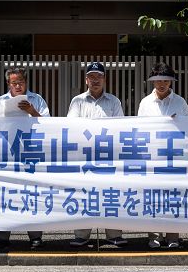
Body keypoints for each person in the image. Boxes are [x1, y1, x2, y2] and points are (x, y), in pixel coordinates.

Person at [0, 66, 50, 249]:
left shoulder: (37, 100)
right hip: (6, 155)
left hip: (29, 153)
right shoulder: (0, 101)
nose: (18, 86)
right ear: (8, 84)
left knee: (31, 194)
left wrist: (32, 112)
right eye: (14, 83)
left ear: (26, 82)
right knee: (5, 194)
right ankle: (2, 237)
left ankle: (35, 237)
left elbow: (50, 125)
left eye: (21, 82)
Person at [67, 62, 128, 247]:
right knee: (85, 193)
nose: (95, 80)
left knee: (110, 193)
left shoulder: (114, 101)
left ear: (104, 79)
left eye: (99, 77)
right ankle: (82, 235)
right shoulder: (77, 101)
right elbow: (71, 126)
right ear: (86, 80)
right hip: (84, 156)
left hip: (109, 156)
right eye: (92, 77)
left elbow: (120, 127)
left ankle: (114, 234)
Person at [137, 62, 188, 249]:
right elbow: (139, 131)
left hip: (174, 157)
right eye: (158, 80)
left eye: (165, 80)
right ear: (152, 82)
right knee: (153, 197)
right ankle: (154, 236)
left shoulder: (180, 102)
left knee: (173, 197)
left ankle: (173, 236)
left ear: (171, 81)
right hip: (152, 158)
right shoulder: (145, 103)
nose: (162, 84)